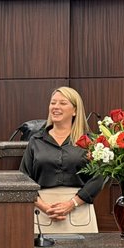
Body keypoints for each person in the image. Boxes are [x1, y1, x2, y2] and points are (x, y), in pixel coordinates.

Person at [20, 87, 102, 233]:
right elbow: (24, 179)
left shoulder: (90, 141)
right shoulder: (36, 141)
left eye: (63, 103)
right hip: (43, 212)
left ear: (75, 110)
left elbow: (99, 177)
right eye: (53, 103)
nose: (56, 107)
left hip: (79, 211)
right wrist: (45, 207)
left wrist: (72, 203)